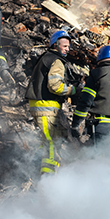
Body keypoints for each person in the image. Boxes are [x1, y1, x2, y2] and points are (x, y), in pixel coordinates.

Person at [26, 30, 78, 175]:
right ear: (55, 45)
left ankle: (38, 168)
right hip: (46, 107)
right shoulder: (56, 61)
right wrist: (73, 90)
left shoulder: (46, 58)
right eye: (65, 46)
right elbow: (55, 86)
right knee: (51, 143)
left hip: (42, 107)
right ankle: (47, 178)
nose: (67, 49)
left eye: (68, 46)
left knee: (51, 140)